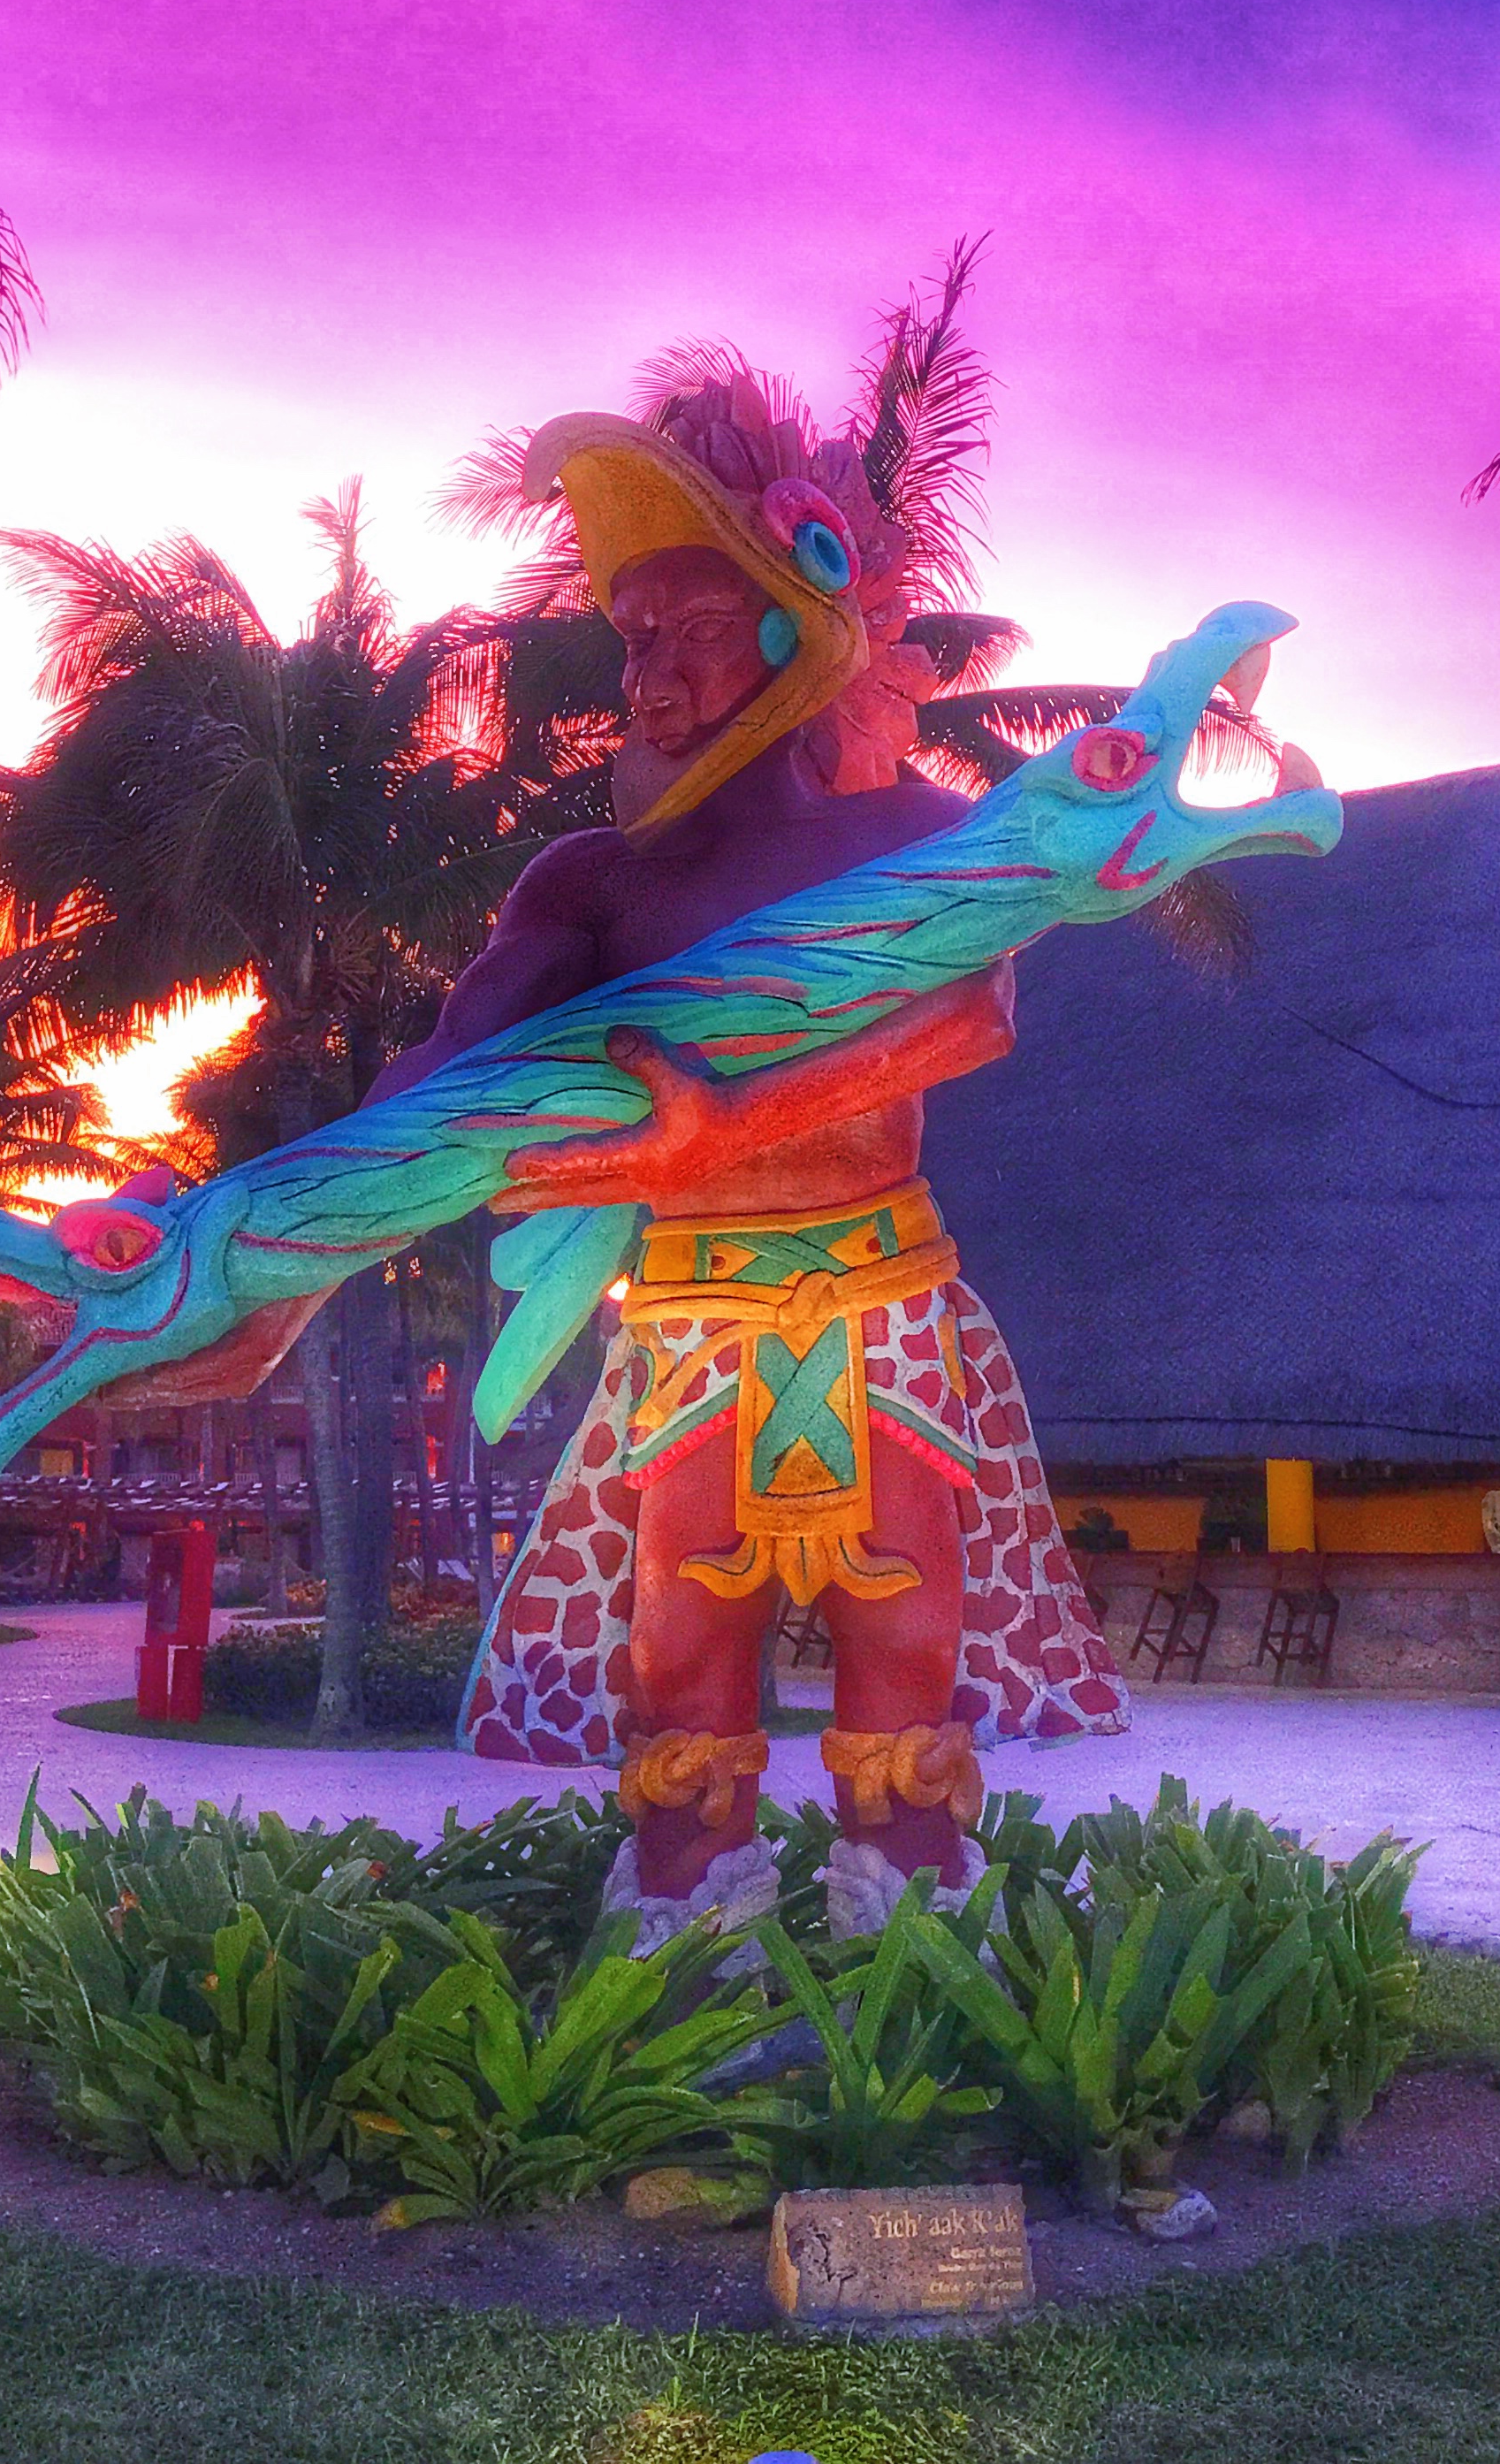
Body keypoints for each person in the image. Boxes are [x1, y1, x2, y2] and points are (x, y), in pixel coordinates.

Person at [378, 370, 1127, 1944]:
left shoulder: (916, 835)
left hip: (883, 1302)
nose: (648, 674)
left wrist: (729, 1123)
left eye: (693, 630)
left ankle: (911, 1976)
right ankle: (680, 1965)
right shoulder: (589, 882)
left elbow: (971, 1018)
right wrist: (254, 1216)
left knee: (905, 1662)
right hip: (691, 1318)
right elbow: (457, 1067)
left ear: (795, 629)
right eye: (631, 637)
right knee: (680, 1671)